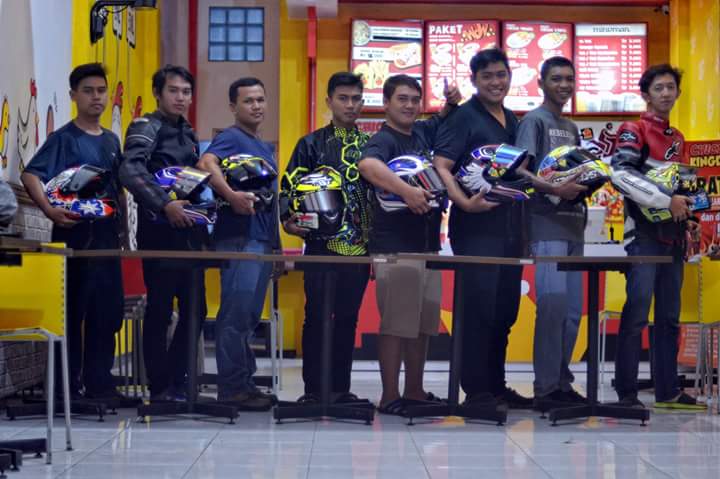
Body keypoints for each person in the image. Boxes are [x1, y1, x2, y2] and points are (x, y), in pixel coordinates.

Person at [433, 49, 533, 409]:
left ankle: (496, 385)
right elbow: (441, 164)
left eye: (501, 75)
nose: (495, 82)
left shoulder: (513, 119)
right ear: (474, 80)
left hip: (510, 228)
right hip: (476, 229)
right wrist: (463, 203)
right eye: (487, 76)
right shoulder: (464, 117)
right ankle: (475, 391)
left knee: (504, 311)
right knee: (478, 310)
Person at [22, 63, 126, 399]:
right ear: (73, 96)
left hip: (108, 239)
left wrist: (125, 236)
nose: (96, 97)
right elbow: (30, 175)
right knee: (72, 314)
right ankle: (67, 389)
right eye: (88, 91)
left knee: (107, 313)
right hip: (75, 237)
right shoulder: (64, 138)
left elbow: (120, 191)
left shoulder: (111, 141)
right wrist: (49, 210)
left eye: (101, 91)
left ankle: (100, 383)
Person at [358, 74, 459, 415]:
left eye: (415, 100)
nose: (410, 105)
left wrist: (451, 100)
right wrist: (407, 191)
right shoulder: (384, 139)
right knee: (397, 324)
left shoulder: (420, 133)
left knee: (422, 324)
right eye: (402, 99)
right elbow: (368, 165)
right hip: (395, 246)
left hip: (427, 244)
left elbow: (444, 116)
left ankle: (414, 390)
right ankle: (389, 396)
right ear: (386, 103)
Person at [611, 64, 704, 410]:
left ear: (678, 93)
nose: (666, 93)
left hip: (673, 238)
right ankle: (626, 393)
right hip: (643, 236)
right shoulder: (633, 129)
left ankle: (668, 391)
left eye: (670, 88)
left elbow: (684, 186)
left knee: (669, 317)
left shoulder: (677, 138)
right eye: (659, 88)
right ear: (645, 94)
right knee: (637, 314)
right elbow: (620, 173)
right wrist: (667, 202)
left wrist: (691, 218)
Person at [281, 72, 371, 404]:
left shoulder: (371, 146)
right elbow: (287, 189)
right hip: (320, 247)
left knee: (347, 320)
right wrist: (288, 221)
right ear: (329, 101)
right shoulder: (310, 144)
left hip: (359, 249)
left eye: (356, 99)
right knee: (316, 317)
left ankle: (340, 390)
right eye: (343, 98)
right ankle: (313, 391)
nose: (350, 105)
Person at [120, 65, 208, 402]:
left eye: (186, 91)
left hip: (191, 234)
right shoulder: (146, 125)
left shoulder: (189, 133)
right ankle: (159, 387)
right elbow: (130, 169)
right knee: (159, 309)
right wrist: (165, 204)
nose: (181, 97)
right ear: (158, 93)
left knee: (196, 309)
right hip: (158, 231)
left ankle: (177, 380)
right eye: (173, 90)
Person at [197, 77, 279, 410]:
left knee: (248, 317)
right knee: (235, 314)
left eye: (260, 99)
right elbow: (205, 163)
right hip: (238, 239)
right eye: (248, 101)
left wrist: (276, 249)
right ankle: (231, 389)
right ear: (233, 107)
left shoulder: (263, 146)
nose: (256, 106)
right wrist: (231, 195)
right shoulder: (231, 137)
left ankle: (245, 384)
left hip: (261, 239)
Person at [514, 56, 588, 409]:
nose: (564, 85)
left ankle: (562, 382)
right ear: (541, 83)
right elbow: (519, 171)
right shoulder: (534, 121)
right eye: (556, 79)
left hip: (575, 226)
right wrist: (555, 189)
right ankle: (545, 389)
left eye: (569, 79)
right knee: (552, 306)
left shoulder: (571, 127)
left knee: (572, 313)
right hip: (546, 225)